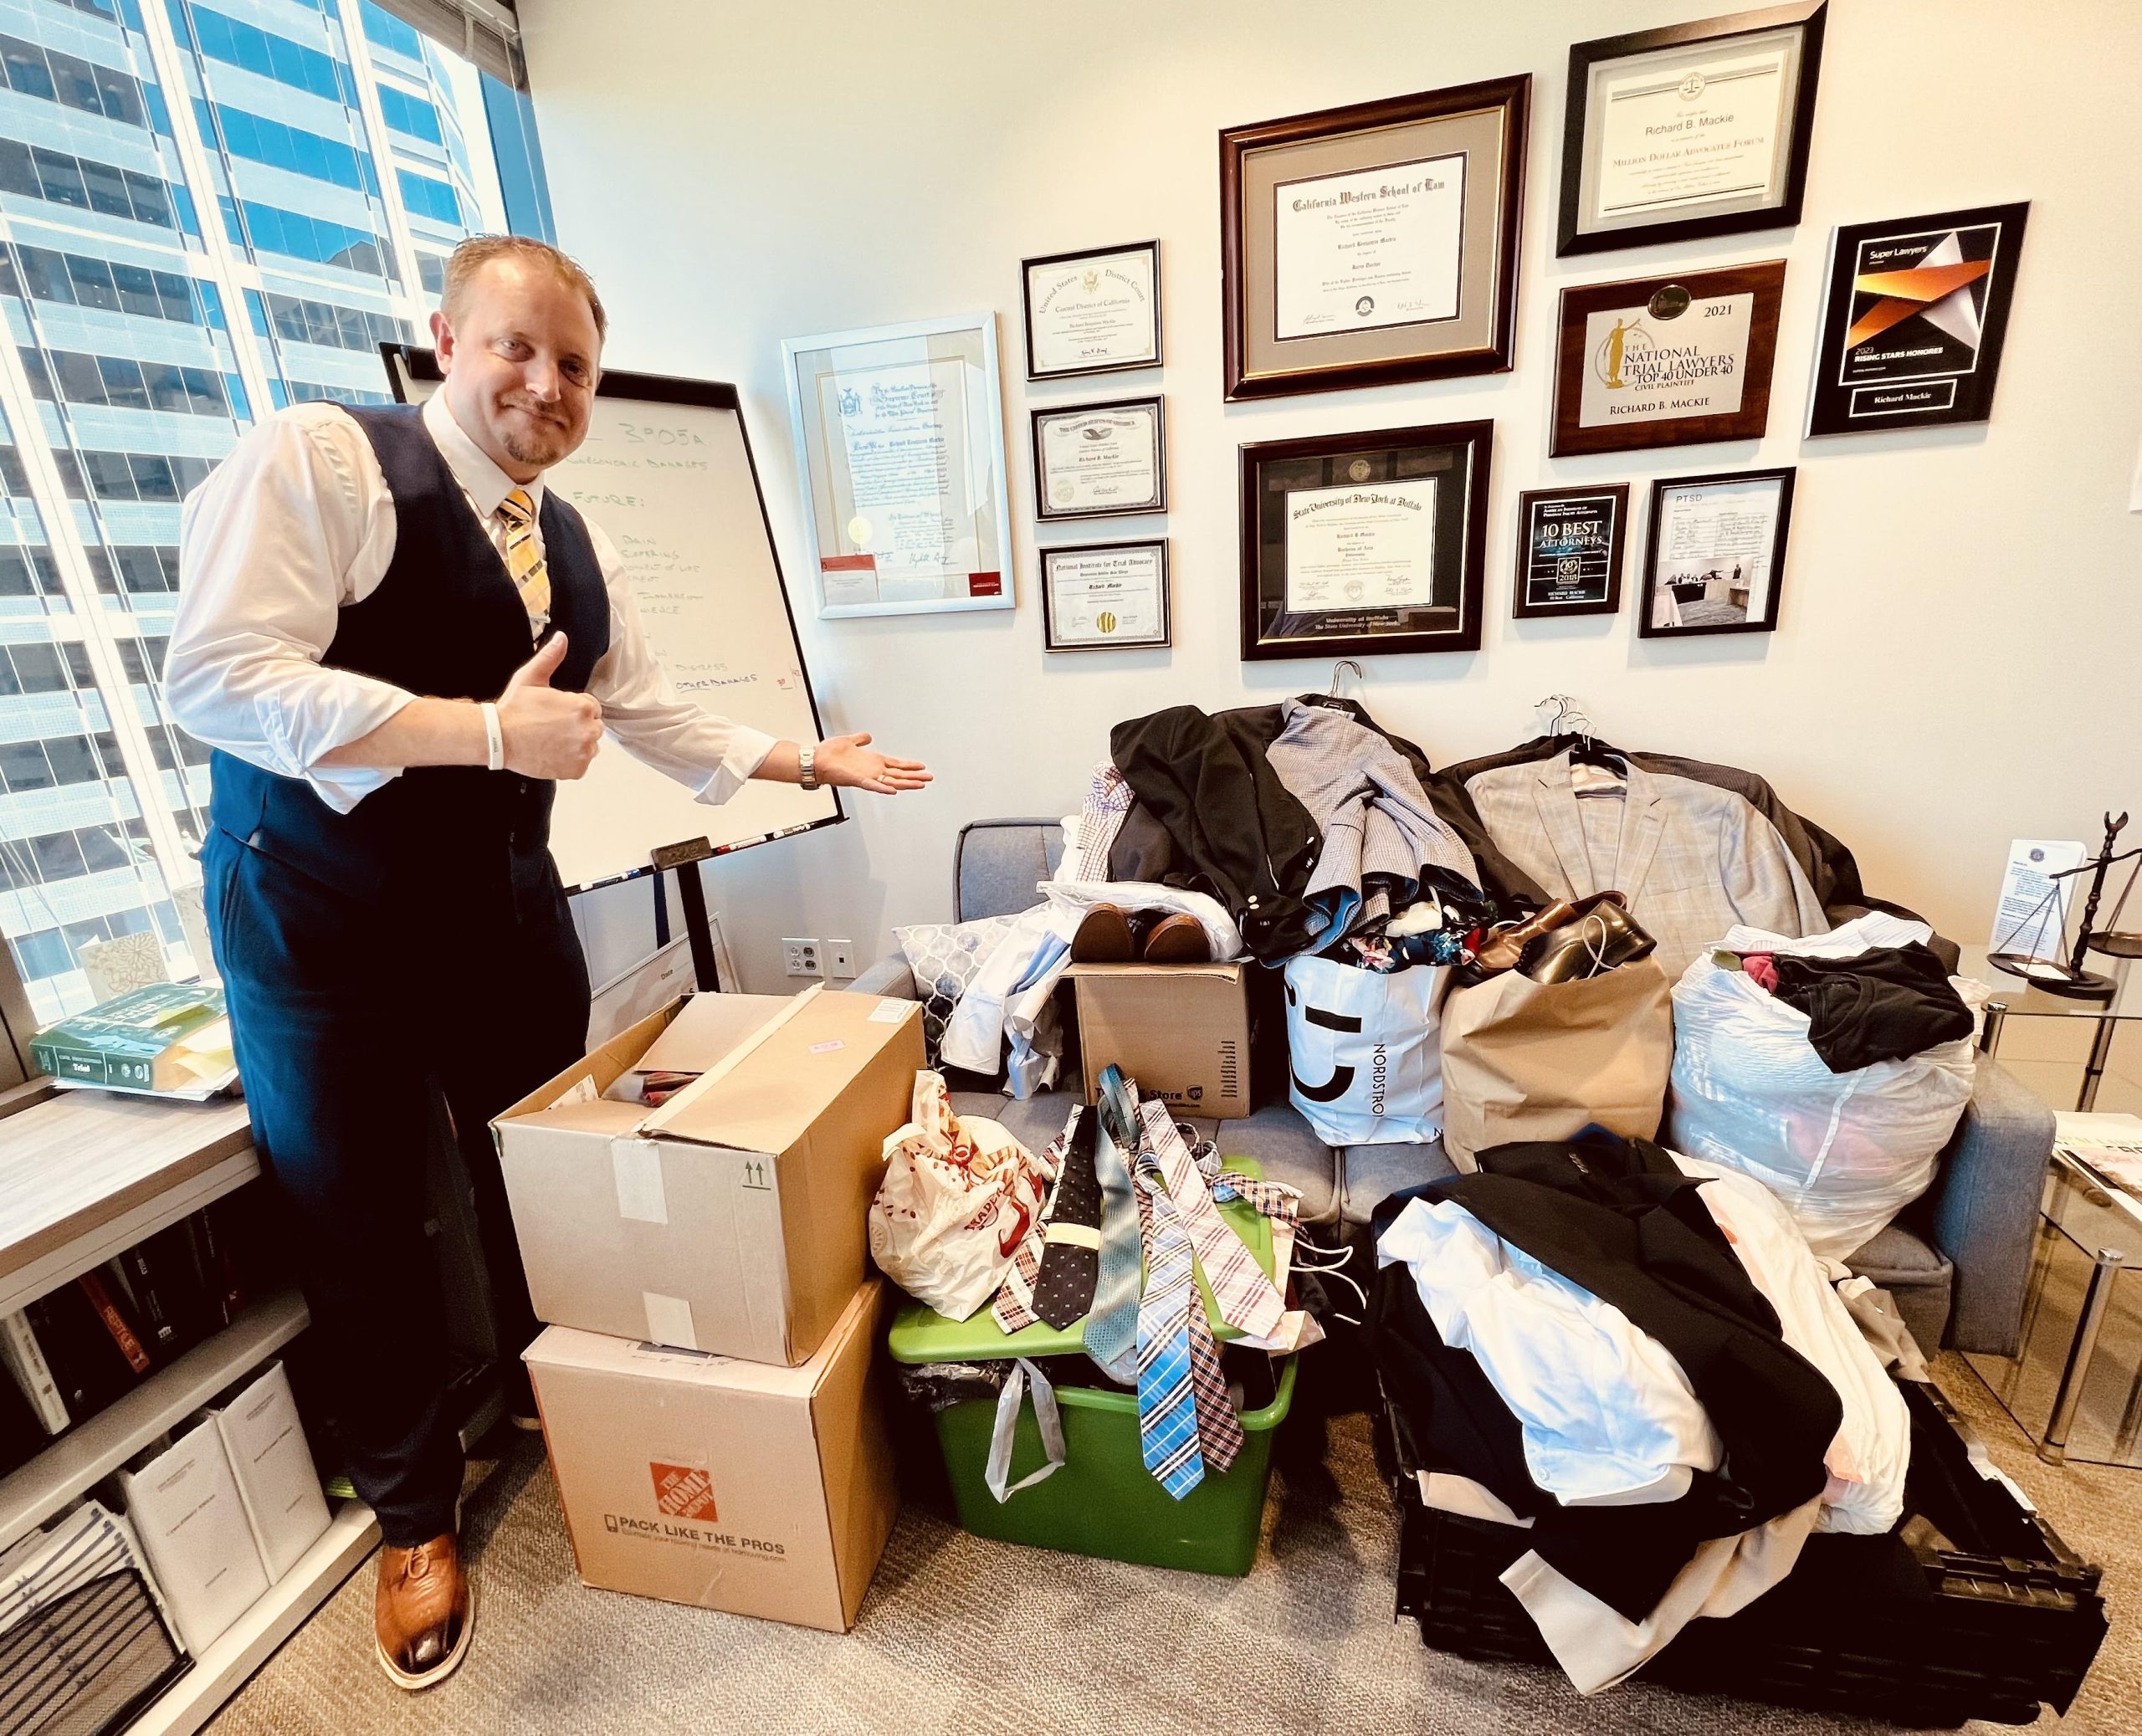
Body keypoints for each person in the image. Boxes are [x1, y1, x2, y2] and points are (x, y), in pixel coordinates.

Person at [166, 235, 930, 1690]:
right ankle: (410, 1517)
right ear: (444, 339)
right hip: (319, 922)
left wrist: (798, 754)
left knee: (547, 1182)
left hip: (503, 907)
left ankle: (559, 1403)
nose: (548, 384)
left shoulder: (572, 538)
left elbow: (644, 708)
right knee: (362, 1216)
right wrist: (483, 731)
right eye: (517, 347)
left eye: (575, 366)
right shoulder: (321, 466)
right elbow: (217, 675)